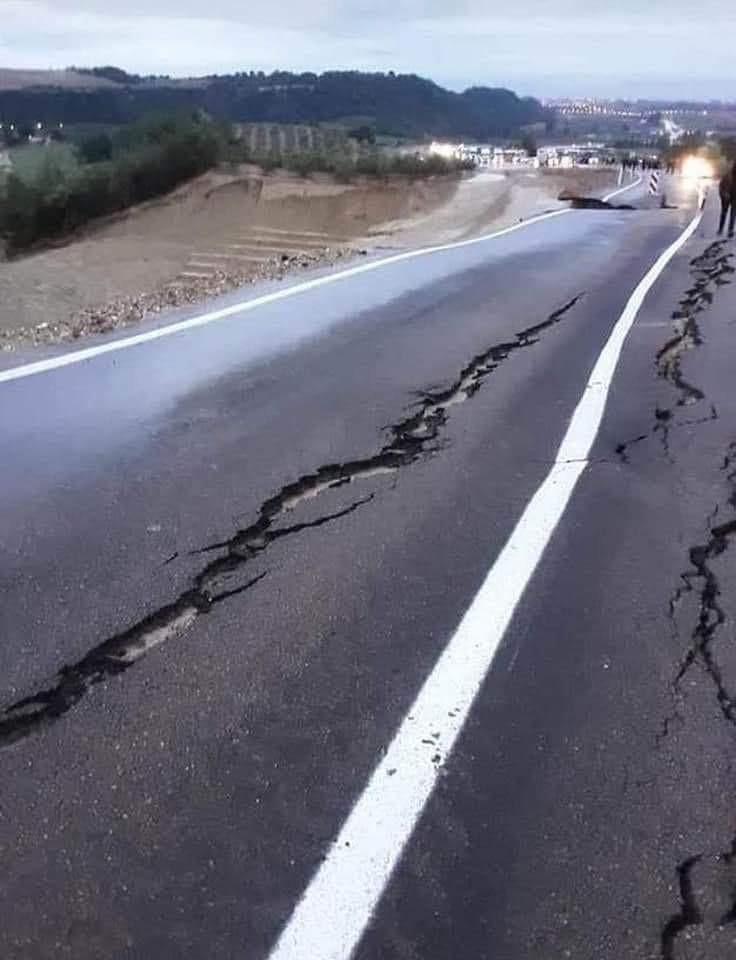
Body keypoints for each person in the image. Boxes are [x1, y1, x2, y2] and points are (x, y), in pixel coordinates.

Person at [718, 161, 736, 237]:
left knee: (733, 214)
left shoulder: (728, 175)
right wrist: (724, 194)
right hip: (726, 196)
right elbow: (721, 186)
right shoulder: (728, 176)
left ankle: (730, 230)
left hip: (734, 197)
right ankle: (721, 229)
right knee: (724, 213)